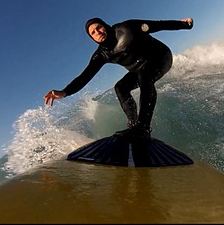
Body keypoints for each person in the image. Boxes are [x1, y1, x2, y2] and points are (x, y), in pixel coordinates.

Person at [44, 16, 194, 139]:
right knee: (120, 87)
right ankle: (133, 124)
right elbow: (85, 76)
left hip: (161, 57)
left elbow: (157, 25)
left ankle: (143, 128)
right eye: (93, 33)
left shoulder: (128, 28)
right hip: (139, 69)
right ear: (92, 38)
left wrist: (184, 24)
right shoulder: (101, 54)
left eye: (98, 28)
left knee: (144, 75)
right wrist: (64, 92)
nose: (98, 32)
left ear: (105, 25)